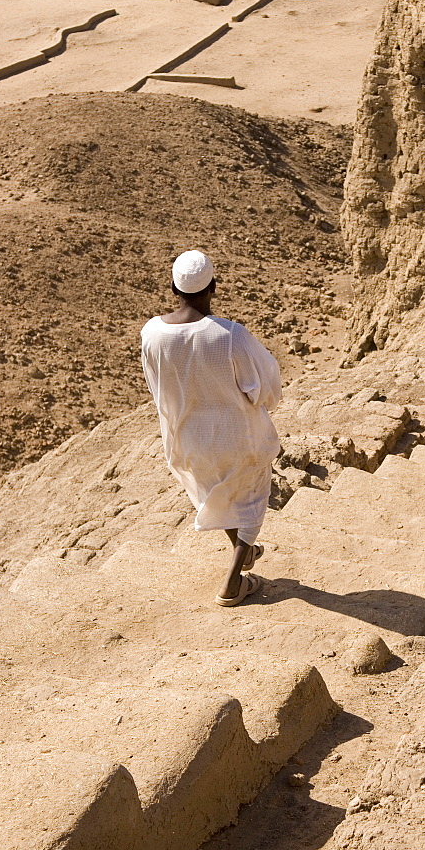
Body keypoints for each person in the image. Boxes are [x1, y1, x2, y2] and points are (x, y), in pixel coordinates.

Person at [141, 249, 282, 606]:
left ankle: (243, 551)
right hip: (237, 437)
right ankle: (234, 583)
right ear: (213, 287)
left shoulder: (152, 333)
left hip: (188, 438)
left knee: (220, 495)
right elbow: (266, 386)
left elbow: (156, 386)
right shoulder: (230, 335)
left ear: (174, 287)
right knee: (251, 499)